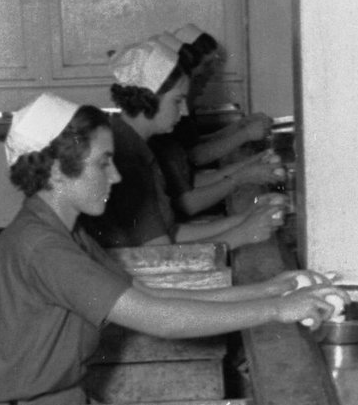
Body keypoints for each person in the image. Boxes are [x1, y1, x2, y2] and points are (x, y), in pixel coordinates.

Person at [0, 94, 330, 405]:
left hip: (60, 398)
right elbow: (161, 319)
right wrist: (277, 310)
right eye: (103, 163)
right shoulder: (45, 248)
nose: (116, 176)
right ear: (59, 171)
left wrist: (272, 289)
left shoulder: (63, 230)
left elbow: (149, 294)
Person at [90, 39, 284, 251]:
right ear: (150, 98)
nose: (184, 111)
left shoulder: (132, 142)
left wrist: (243, 220)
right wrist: (241, 235)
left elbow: (168, 232)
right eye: (177, 101)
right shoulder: (127, 159)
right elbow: (160, 254)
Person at [147, 29, 283, 221]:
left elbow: (186, 176)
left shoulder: (166, 121)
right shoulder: (154, 133)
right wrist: (244, 139)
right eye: (206, 65)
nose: (210, 72)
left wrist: (247, 163)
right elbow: (196, 159)